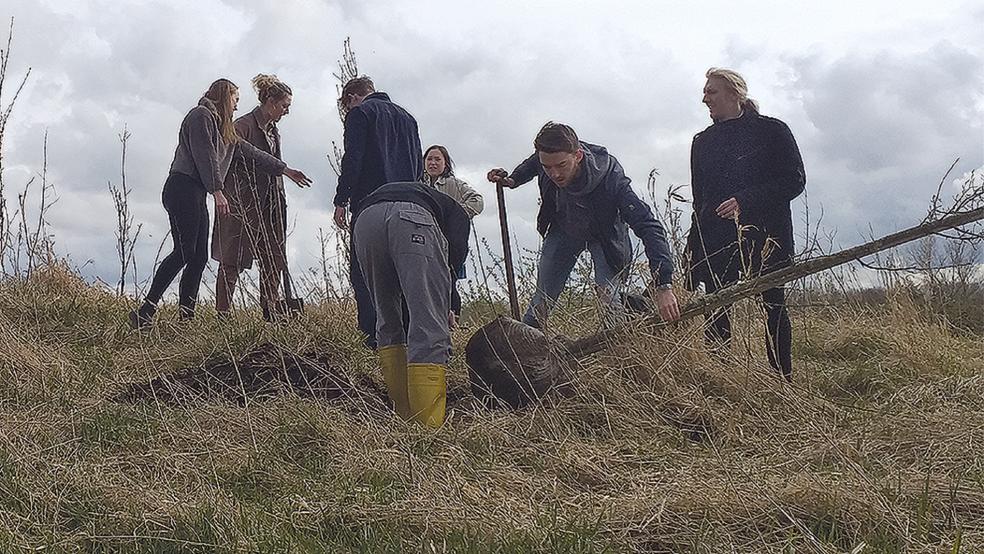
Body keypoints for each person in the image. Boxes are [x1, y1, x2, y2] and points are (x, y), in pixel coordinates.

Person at [130, 78, 311, 328]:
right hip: (182, 187)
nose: (237, 106)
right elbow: (205, 156)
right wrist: (217, 191)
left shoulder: (221, 127)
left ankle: (185, 319)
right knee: (184, 251)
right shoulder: (201, 116)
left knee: (198, 256)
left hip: (196, 191)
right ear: (225, 96)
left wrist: (284, 170)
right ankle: (146, 310)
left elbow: (249, 151)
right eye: (235, 99)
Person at [487, 122, 680, 328]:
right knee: (542, 300)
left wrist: (664, 285)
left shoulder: (611, 178)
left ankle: (616, 350)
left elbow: (649, 226)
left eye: (561, 166)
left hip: (605, 238)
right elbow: (533, 163)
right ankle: (524, 349)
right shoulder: (548, 159)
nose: (555, 174)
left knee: (608, 299)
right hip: (564, 230)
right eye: (547, 167)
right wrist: (513, 180)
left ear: (577, 156)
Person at [686, 67, 806, 381]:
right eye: (705, 92)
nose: (704, 98)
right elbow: (701, 202)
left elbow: (794, 181)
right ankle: (721, 382)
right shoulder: (702, 142)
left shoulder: (773, 131)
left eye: (711, 92)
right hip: (716, 240)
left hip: (767, 237)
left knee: (773, 307)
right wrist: (691, 254)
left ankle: (783, 383)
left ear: (735, 94)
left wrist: (745, 200)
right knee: (717, 311)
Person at [353, 181, 471, 427]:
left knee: (387, 320)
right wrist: (449, 303)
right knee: (429, 324)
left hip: (365, 221)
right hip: (411, 218)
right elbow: (450, 265)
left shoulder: (431, 199)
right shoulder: (458, 215)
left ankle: (403, 417)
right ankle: (427, 430)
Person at [332, 76, 423, 349]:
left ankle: (373, 338)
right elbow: (418, 165)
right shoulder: (408, 118)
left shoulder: (359, 114)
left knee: (364, 272)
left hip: (372, 204)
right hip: (409, 204)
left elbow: (353, 158)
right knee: (404, 273)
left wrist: (341, 199)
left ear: (352, 98)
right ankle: (408, 337)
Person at [212, 74, 308, 321]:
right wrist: (283, 169)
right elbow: (238, 157)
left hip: (272, 203)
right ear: (271, 102)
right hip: (241, 203)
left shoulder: (274, 132)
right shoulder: (242, 126)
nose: (286, 112)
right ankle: (222, 316)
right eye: (284, 105)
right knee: (231, 259)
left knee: (274, 258)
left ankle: (272, 310)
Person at [422, 144, 484, 323]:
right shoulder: (418, 184)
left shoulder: (453, 184)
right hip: (425, 242)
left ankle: (453, 323)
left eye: (437, 159)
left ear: (446, 164)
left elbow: (477, 200)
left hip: (449, 245)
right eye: (429, 159)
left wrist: (455, 215)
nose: (433, 163)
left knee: (449, 282)